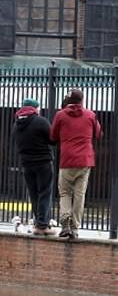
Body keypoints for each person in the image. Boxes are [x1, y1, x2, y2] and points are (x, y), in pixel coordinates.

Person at [50, 89, 102, 238]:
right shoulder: (90, 115)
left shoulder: (60, 115)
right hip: (85, 160)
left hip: (67, 159)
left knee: (65, 192)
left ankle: (65, 223)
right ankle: (75, 228)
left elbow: (52, 136)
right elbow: (99, 134)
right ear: (82, 100)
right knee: (80, 194)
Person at [12, 98, 56, 235]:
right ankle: (42, 226)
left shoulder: (16, 124)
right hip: (43, 163)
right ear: (35, 108)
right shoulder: (40, 121)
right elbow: (53, 139)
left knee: (34, 194)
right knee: (44, 193)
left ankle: (39, 222)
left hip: (27, 164)